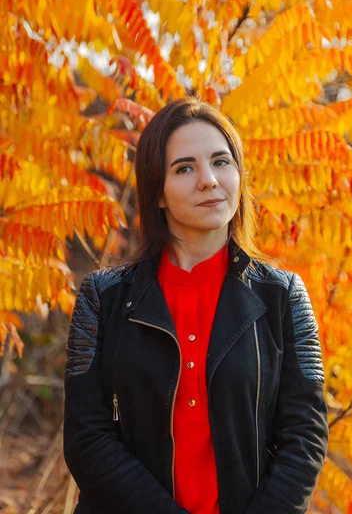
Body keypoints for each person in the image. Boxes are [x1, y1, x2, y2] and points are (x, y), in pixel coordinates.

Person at [63, 96, 329, 514]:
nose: (208, 180)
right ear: (158, 193)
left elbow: (305, 437)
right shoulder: (104, 296)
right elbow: (86, 438)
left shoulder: (284, 295)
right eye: (184, 168)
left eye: (221, 162)